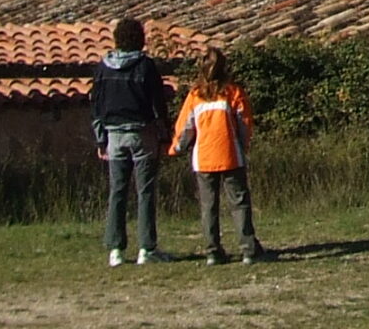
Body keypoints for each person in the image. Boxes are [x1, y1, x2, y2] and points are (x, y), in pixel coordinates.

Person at [169, 46, 266, 264]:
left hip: (204, 158)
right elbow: (245, 124)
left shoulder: (195, 96)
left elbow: (186, 128)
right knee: (239, 202)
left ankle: (212, 250)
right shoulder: (233, 92)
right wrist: (243, 145)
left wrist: (176, 147)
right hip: (231, 154)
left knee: (208, 205)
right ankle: (248, 247)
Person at [89, 16, 173, 266]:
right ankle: (146, 248)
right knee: (145, 191)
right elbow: (158, 103)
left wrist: (100, 140)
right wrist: (164, 134)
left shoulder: (103, 68)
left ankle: (115, 249)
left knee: (117, 191)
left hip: (114, 135)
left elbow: (96, 106)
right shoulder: (145, 66)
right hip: (141, 132)